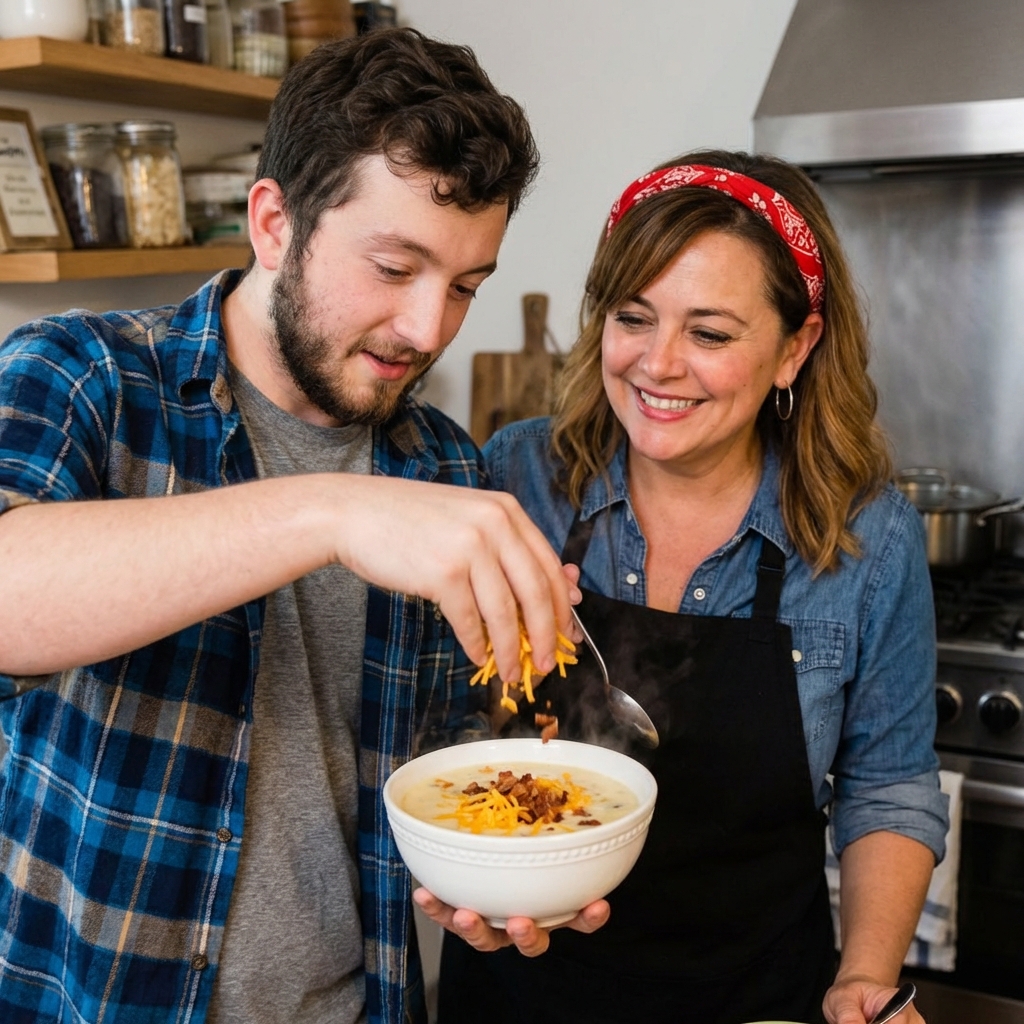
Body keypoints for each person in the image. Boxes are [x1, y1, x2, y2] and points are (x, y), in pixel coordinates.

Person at [0, 28, 601, 1024]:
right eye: (394, 266)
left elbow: (444, 760)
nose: (428, 328)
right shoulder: (84, 377)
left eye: (463, 285)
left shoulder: (443, 465)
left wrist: (497, 874)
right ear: (275, 224)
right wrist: (332, 508)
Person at [431, 153, 950, 1024]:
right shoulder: (513, 476)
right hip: (518, 987)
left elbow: (888, 788)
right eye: (634, 318)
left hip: (757, 998)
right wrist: (450, 870)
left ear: (796, 346)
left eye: (710, 333)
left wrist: (865, 976)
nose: (657, 364)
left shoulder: (872, 537)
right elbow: (437, 722)